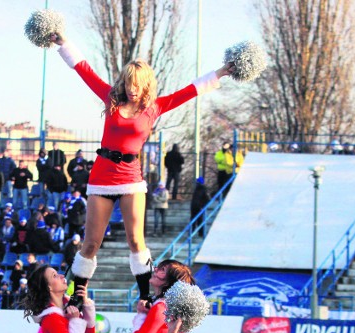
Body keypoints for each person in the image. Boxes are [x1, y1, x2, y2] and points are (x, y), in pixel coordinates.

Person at [50, 33, 234, 309]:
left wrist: (222, 71)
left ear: (145, 84)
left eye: (137, 84)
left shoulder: (154, 108)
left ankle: (146, 294)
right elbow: (84, 70)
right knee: (90, 243)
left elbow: (190, 90)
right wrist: (63, 41)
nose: (132, 88)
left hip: (131, 179)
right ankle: (78, 294)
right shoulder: (111, 100)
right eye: (127, 83)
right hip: (101, 177)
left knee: (136, 240)